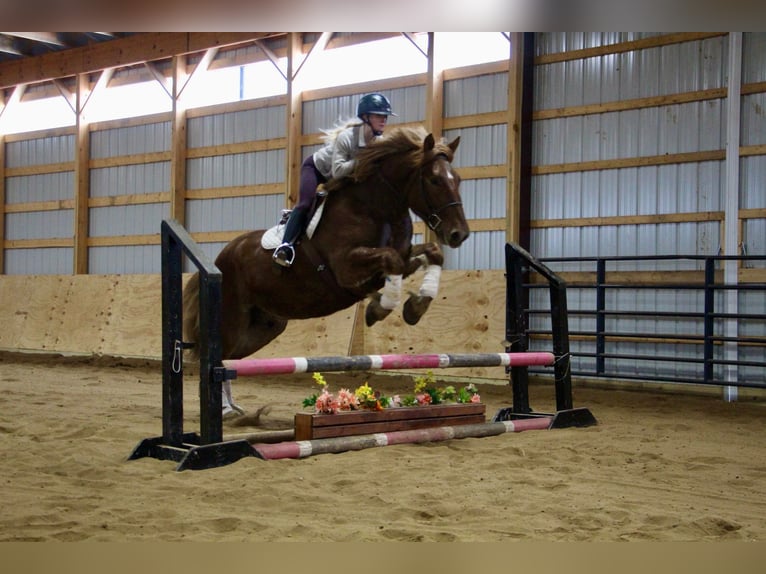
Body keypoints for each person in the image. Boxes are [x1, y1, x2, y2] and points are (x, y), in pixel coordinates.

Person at [272, 92, 396, 267]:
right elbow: (337, 171)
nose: (383, 120)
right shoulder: (347, 137)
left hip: (346, 177)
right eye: (378, 116)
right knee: (305, 204)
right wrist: (363, 159)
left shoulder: (379, 142)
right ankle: (285, 247)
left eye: (385, 117)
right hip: (318, 170)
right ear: (365, 117)